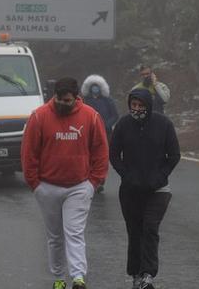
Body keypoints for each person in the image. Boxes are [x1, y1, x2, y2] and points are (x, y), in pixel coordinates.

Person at [22, 77, 109, 289]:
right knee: (55, 236)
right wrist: (35, 184)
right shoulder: (39, 116)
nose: (63, 104)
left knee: (74, 232)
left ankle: (78, 277)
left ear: (76, 97)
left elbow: (100, 150)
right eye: (59, 99)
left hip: (79, 186)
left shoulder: (91, 117)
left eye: (68, 100)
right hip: (47, 186)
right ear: (55, 96)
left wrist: (93, 182)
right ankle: (59, 278)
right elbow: (29, 152)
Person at [110, 88, 180, 289]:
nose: (137, 109)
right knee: (135, 231)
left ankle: (148, 274)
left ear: (148, 106)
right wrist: (127, 175)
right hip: (131, 190)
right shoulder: (123, 125)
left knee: (150, 228)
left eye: (141, 106)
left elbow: (174, 156)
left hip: (158, 189)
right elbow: (114, 154)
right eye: (134, 105)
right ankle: (135, 273)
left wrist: (160, 176)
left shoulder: (163, 124)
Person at [82, 74, 119, 193]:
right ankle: (91, 179)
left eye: (97, 86)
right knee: (89, 156)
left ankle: (100, 180)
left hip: (105, 132)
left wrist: (107, 125)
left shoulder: (108, 101)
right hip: (89, 133)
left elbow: (115, 115)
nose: (95, 88)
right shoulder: (85, 101)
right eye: (93, 86)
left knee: (102, 157)